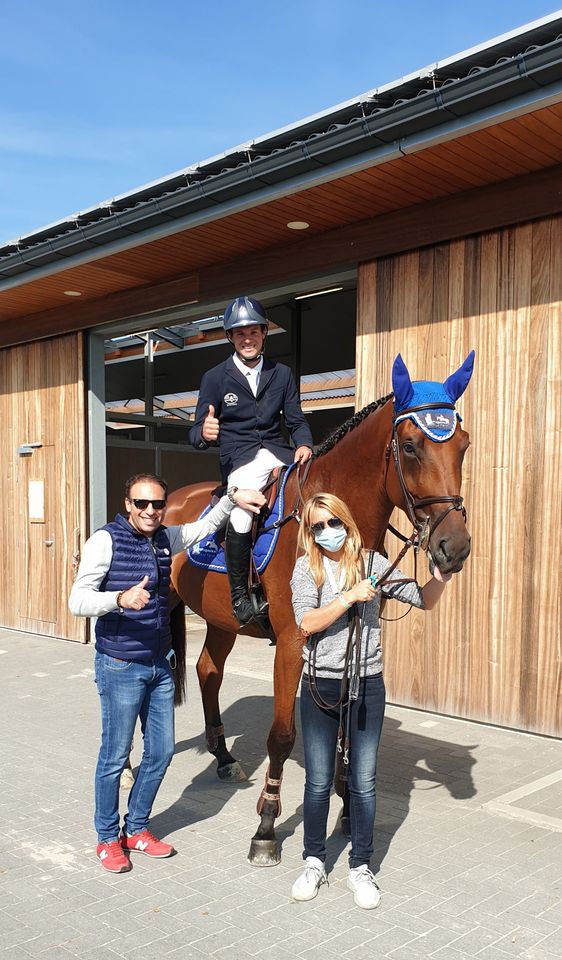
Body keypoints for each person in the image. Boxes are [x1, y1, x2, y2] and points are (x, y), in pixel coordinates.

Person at [69, 472, 265, 874]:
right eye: (142, 504)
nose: (151, 511)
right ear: (128, 505)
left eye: (157, 504)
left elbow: (205, 526)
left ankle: (137, 829)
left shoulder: (165, 538)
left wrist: (232, 498)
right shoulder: (105, 540)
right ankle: (108, 838)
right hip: (120, 664)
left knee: (159, 753)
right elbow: (77, 600)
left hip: (160, 664)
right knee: (114, 756)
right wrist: (119, 598)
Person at [290, 493, 454, 909]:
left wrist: (442, 575)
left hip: (366, 685)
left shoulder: (373, 563)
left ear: (346, 521)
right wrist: (348, 597)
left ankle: (360, 867)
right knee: (317, 782)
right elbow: (305, 622)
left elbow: (423, 599)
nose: (327, 532)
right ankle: (313, 860)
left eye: (332, 523)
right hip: (319, 688)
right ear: (310, 533)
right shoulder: (306, 569)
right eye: (318, 527)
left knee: (363, 783)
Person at [190, 295, 313, 627]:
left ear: (263, 334)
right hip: (240, 461)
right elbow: (195, 434)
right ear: (231, 337)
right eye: (240, 333)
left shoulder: (282, 373)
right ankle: (240, 597)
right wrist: (205, 431)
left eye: (254, 332)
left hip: (279, 454)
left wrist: (304, 444)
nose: (248, 339)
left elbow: (297, 420)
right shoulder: (215, 377)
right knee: (243, 513)